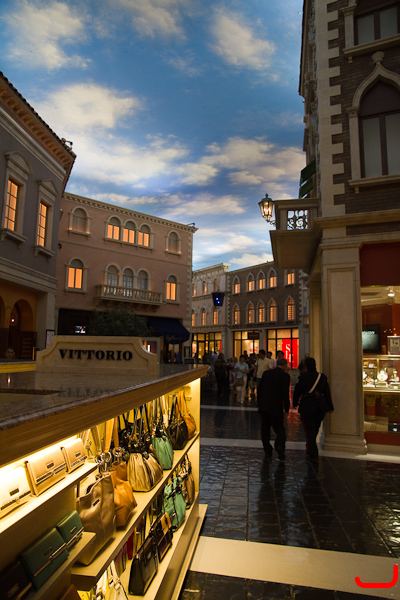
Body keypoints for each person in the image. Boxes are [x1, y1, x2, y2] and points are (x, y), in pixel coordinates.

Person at [292, 356, 334, 462]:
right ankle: (311, 448)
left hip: (307, 406)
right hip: (320, 407)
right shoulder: (322, 377)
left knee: (309, 430)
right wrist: (330, 406)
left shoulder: (303, 378)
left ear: (306, 366)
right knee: (315, 428)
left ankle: (313, 452)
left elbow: (297, 391)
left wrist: (295, 403)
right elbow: (327, 392)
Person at [257, 357, 291, 460]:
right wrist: (287, 408)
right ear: (284, 365)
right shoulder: (285, 376)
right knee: (279, 428)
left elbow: (260, 389)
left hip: (264, 406)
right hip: (276, 406)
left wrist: (259, 403)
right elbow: (285, 393)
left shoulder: (266, 373)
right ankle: (280, 447)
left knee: (265, 428)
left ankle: (267, 450)